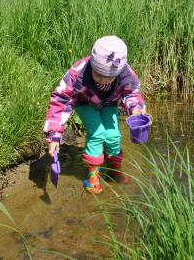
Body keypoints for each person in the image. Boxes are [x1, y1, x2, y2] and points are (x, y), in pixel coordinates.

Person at [43, 36, 147, 195]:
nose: (104, 81)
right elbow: (60, 100)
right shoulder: (78, 74)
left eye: (109, 78)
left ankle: (114, 168)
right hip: (84, 103)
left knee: (113, 135)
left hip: (109, 103)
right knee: (98, 133)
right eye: (98, 75)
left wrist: (136, 109)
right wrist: (54, 134)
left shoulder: (126, 74)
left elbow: (132, 93)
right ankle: (92, 175)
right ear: (92, 63)